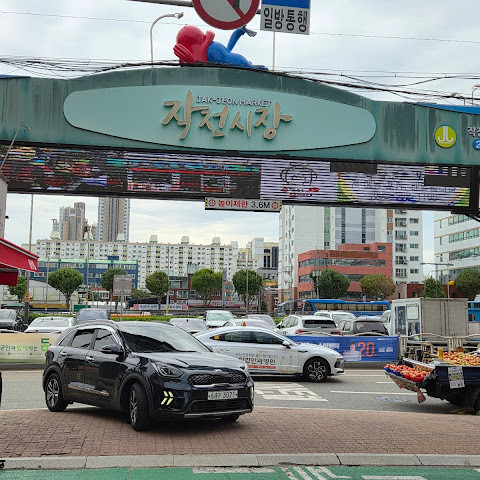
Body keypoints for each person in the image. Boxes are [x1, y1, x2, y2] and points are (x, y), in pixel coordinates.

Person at [174, 26, 267, 70]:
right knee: (230, 57)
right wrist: (207, 41)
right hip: (220, 57)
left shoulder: (201, 48)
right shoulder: (198, 51)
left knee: (229, 55)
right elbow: (201, 62)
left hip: (220, 55)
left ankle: (239, 31)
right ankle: (251, 66)